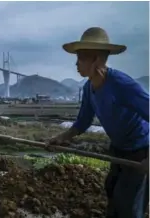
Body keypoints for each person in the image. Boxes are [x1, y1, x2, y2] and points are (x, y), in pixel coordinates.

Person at [47, 27, 149, 218]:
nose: (76, 64)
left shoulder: (121, 84)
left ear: (96, 60)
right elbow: (83, 121)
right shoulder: (88, 88)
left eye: (81, 59)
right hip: (119, 148)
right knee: (111, 192)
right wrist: (60, 138)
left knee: (129, 205)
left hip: (141, 149)